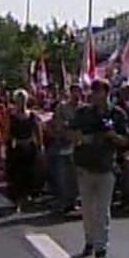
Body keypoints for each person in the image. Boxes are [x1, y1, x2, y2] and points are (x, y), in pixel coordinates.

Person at [70, 79, 129, 258]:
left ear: (106, 93)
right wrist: (83, 138)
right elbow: (70, 133)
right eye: (93, 91)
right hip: (86, 166)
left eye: (99, 91)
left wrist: (113, 136)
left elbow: (127, 140)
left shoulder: (117, 114)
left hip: (106, 167)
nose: (95, 95)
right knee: (88, 210)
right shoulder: (83, 113)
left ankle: (100, 248)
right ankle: (89, 240)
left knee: (103, 211)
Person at [6, 89, 43, 213]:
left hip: (29, 148)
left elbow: (38, 131)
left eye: (23, 100)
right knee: (16, 176)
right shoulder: (11, 116)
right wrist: (14, 141)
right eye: (18, 100)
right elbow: (7, 133)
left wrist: (40, 146)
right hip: (16, 149)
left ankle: (27, 199)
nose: (21, 102)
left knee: (29, 174)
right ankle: (17, 201)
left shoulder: (32, 115)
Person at [48, 84, 82, 214]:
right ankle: (66, 200)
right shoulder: (62, 108)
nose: (76, 95)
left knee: (76, 175)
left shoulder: (83, 108)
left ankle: (74, 200)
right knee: (64, 174)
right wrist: (63, 128)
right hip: (64, 144)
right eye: (74, 92)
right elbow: (57, 124)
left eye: (78, 92)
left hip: (78, 145)